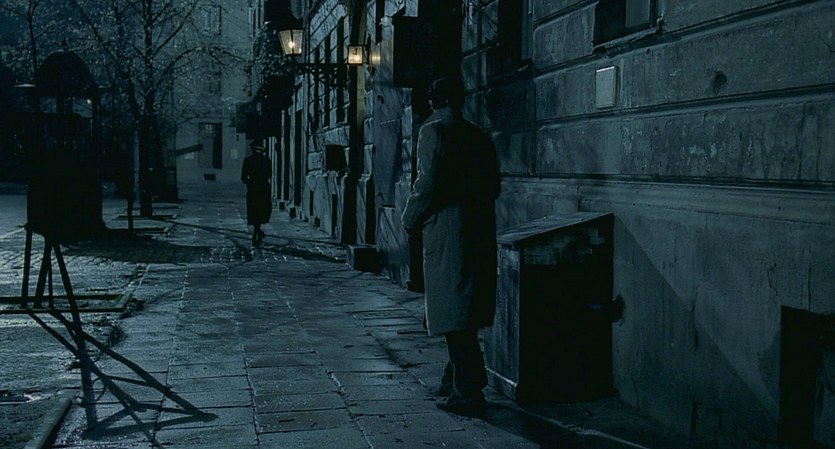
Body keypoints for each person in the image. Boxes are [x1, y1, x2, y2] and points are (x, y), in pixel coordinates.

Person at [401, 77, 501, 418]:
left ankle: (467, 391)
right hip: (477, 230)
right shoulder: (478, 134)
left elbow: (426, 182)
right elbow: (494, 185)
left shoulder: (433, 131)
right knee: (466, 310)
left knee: (454, 313)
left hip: (448, 232)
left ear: (433, 101)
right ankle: (457, 377)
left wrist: (409, 218)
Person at [241, 143, 272, 246]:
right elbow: (269, 174)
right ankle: (257, 231)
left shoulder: (247, 161)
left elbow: (243, 178)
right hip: (263, 188)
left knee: (254, 211)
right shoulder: (266, 160)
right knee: (261, 210)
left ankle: (257, 231)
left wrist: (250, 182)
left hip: (253, 188)